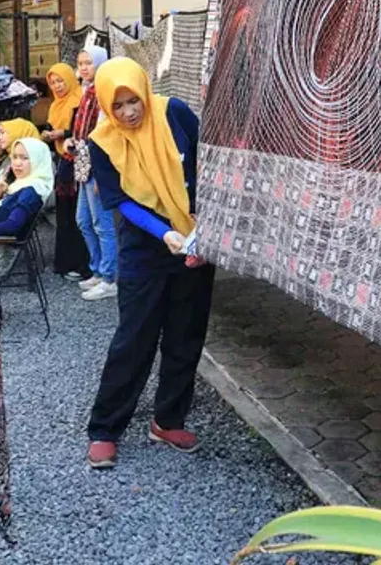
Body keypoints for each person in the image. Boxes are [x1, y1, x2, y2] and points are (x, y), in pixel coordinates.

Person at [84, 57, 214, 470]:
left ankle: (168, 420)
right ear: (106, 107)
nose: (128, 112)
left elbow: (209, 164)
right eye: (117, 106)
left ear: (144, 89)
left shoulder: (173, 111)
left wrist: (204, 229)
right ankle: (105, 429)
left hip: (195, 238)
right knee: (134, 337)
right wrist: (165, 233)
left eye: (132, 101)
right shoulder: (102, 140)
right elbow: (120, 201)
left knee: (185, 335)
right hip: (145, 247)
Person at [72, 46, 119, 301]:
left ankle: (109, 277)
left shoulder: (103, 93)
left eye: (89, 62)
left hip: (96, 162)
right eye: (81, 63)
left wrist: (103, 173)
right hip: (83, 160)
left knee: (102, 223)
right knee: (84, 220)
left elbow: (104, 135)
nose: (84, 67)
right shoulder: (87, 92)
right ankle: (98, 270)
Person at [41, 62, 91, 280]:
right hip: (63, 160)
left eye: (61, 80)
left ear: (70, 79)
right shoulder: (56, 105)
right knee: (64, 214)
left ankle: (81, 264)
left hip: (78, 162)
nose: (57, 86)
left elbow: (83, 130)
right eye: (53, 82)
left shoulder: (79, 100)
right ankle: (64, 263)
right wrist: (48, 134)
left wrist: (62, 133)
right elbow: (53, 128)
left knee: (77, 215)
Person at [0, 138, 53, 274]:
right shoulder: (18, 185)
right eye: (15, 157)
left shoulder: (31, 191)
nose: (17, 163)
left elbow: (12, 226)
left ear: (38, 161)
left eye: (25, 158)